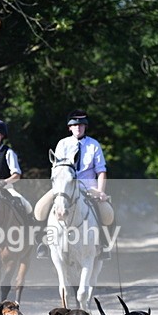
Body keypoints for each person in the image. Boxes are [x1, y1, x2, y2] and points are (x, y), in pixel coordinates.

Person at [33, 109, 114, 259]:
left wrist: (101, 192)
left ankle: (103, 244)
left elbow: (101, 171)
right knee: (40, 208)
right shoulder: (62, 144)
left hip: (88, 187)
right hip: (65, 187)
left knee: (107, 213)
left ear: (85, 127)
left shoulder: (94, 145)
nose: (78, 127)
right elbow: (57, 169)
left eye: (81, 125)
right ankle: (43, 242)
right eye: (75, 125)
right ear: (70, 127)